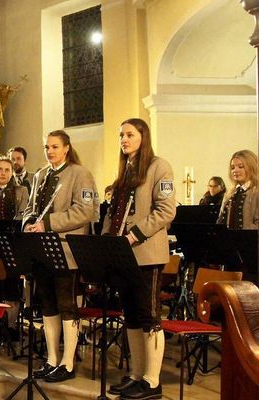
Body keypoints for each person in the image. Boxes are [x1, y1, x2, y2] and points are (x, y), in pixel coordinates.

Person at [102, 118, 176, 400]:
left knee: (149, 316)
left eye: (130, 134)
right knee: (130, 316)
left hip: (146, 253)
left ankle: (152, 381)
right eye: (121, 135)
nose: (124, 139)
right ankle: (136, 375)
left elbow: (165, 210)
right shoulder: (125, 171)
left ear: (143, 137)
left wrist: (135, 234)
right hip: (122, 255)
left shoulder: (159, 166)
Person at [22, 130, 97, 383]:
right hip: (40, 249)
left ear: (66, 148)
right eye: (47, 147)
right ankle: (52, 358)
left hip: (65, 250)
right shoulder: (41, 175)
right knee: (47, 304)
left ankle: (68, 362)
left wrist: (48, 224)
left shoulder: (79, 173)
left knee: (67, 304)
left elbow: (85, 211)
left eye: (55, 147)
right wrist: (28, 224)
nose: (50, 151)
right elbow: (31, 208)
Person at [0, 156, 28, 337]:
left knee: (12, 285)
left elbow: (23, 215)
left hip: (12, 245)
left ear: (12, 173)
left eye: (7, 170)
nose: (3, 173)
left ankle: (10, 326)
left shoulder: (21, 191)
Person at [217, 150, 259, 283]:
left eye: (241, 166)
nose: (235, 170)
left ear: (251, 167)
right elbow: (220, 220)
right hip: (231, 253)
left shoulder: (256, 192)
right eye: (232, 167)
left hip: (251, 255)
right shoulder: (230, 193)